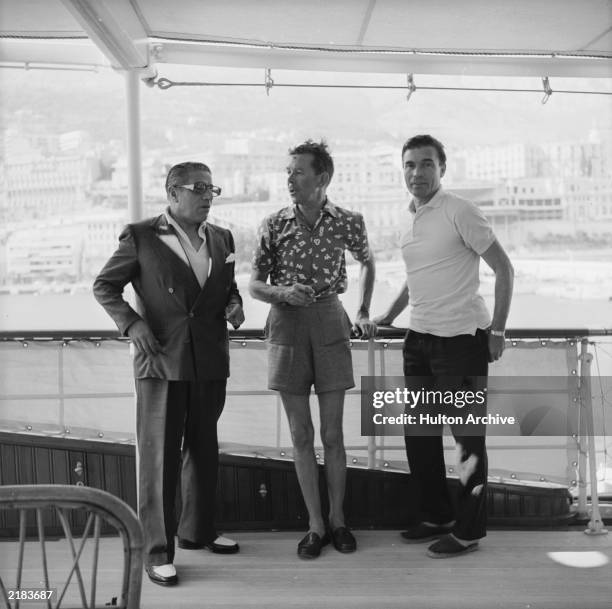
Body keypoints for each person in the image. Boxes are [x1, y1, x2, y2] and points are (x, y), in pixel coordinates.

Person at [93, 161, 244, 586]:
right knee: (159, 458)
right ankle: (156, 551)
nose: (207, 197)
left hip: (210, 359)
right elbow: (105, 285)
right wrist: (132, 324)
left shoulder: (222, 238)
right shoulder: (140, 235)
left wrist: (234, 305)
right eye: (199, 188)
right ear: (173, 192)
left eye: (212, 189)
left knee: (204, 448)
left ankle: (198, 531)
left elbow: (227, 286)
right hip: (160, 358)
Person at [374, 135, 514, 558]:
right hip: (419, 339)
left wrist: (498, 330)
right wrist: (388, 317)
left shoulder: (459, 210)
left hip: (460, 341)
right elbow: (414, 277)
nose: (417, 173)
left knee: (467, 440)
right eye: (410, 165)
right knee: (420, 435)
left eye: (426, 164)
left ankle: (468, 532)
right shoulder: (409, 217)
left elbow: (504, 269)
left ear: (442, 168)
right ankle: (436, 515)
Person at [250, 140, 376, 559]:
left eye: (298, 171)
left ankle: (339, 520)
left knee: (334, 434)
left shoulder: (349, 222)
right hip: (285, 323)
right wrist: (283, 291)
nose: (289, 178)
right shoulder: (273, 224)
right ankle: (315, 525)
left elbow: (368, 262)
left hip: (329, 319)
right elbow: (254, 284)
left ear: (322, 178)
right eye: (288, 172)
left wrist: (362, 309)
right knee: (301, 435)